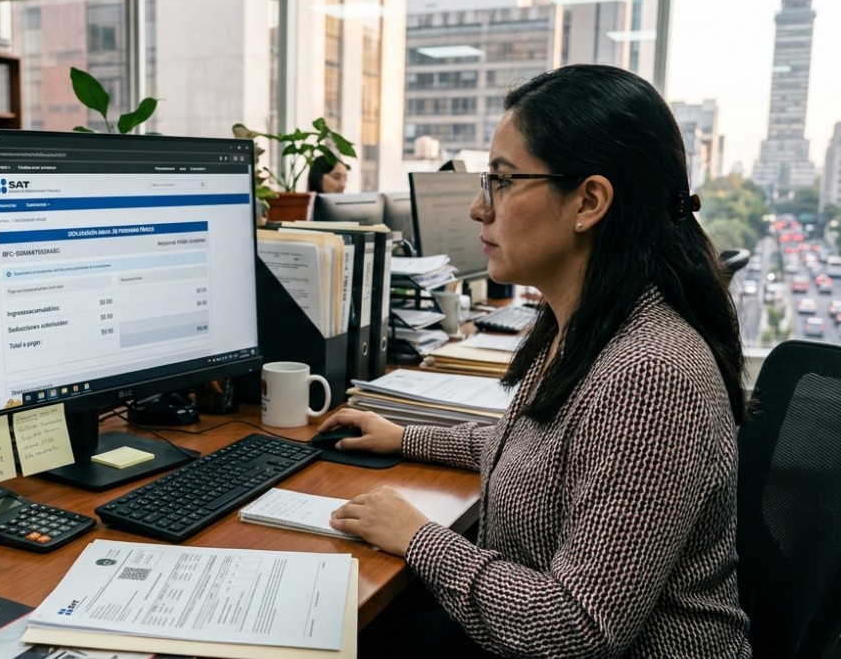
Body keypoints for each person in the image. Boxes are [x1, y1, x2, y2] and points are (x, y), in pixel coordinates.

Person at [319, 64, 752, 657]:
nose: (479, 208)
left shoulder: (652, 376)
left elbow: (575, 631)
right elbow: (541, 450)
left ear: (589, 201)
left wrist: (419, 537)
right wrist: (404, 436)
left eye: (500, 180)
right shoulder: (585, 323)